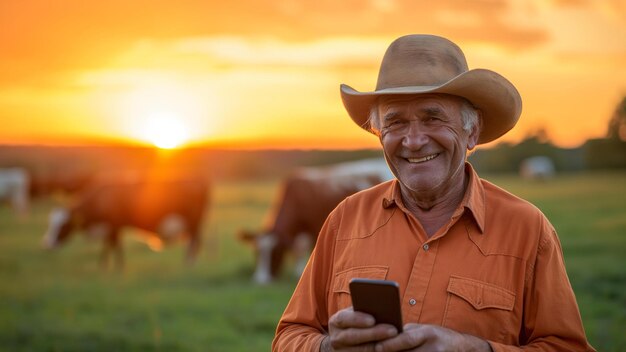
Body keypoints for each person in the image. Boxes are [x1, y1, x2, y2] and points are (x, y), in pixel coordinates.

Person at [272, 34, 595, 351]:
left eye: (432, 118)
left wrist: (473, 349)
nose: (413, 140)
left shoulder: (527, 229)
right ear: (380, 135)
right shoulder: (345, 219)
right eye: (396, 123)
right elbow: (289, 336)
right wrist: (328, 347)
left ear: (472, 132)